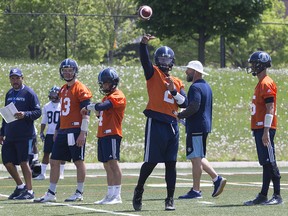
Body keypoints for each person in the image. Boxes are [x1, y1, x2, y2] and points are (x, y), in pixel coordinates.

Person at [132, 34, 188, 211]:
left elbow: (184, 103)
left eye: (167, 59)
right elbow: (144, 61)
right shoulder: (153, 73)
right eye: (161, 58)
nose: (164, 62)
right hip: (156, 122)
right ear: (157, 60)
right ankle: (139, 189)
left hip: (172, 125)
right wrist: (143, 44)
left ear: (172, 61)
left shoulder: (177, 81)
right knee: (150, 162)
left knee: (171, 164)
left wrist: (173, 90)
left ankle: (170, 198)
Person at [34, 58, 92, 203]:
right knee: (54, 160)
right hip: (64, 130)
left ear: (75, 71)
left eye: (70, 70)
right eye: (64, 71)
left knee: (78, 160)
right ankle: (51, 193)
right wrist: (57, 129)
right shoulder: (63, 89)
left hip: (75, 129)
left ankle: (79, 192)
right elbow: (63, 112)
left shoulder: (81, 89)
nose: (67, 73)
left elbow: (86, 113)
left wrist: (83, 132)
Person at [176, 61, 226, 199]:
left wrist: (180, 115)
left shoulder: (195, 87)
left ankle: (198, 189)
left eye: (189, 70)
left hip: (197, 127)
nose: (186, 72)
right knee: (198, 156)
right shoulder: (206, 86)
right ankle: (216, 180)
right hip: (203, 126)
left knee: (196, 158)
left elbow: (194, 106)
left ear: (195, 72)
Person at [81, 67, 126, 205]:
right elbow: (99, 113)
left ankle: (117, 195)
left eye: (105, 83)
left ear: (112, 82)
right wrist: (94, 110)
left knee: (113, 163)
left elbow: (102, 107)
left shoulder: (118, 95)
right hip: (103, 133)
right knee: (106, 165)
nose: (103, 86)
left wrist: (89, 107)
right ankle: (110, 194)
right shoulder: (106, 97)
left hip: (112, 133)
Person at [244, 51, 282, 206]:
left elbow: (270, 108)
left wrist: (266, 130)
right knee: (265, 163)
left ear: (261, 64)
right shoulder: (260, 83)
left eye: (254, 63)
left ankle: (277, 195)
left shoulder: (266, 83)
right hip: (260, 128)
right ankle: (263, 195)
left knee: (270, 161)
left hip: (265, 128)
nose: (252, 66)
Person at [0, 68, 41, 200]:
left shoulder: (29, 93)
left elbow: (37, 112)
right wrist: (2, 132)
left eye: (17, 78)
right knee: (7, 161)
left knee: (24, 162)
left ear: (22, 78)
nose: (15, 80)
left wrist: (25, 114)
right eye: (12, 78)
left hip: (25, 135)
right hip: (10, 134)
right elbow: (5, 114)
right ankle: (20, 186)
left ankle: (30, 191)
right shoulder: (9, 93)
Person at [33, 86, 65, 180]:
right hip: (50, 132)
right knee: (46, 153)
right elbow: (44, 120)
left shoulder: (63, 104)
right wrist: (42, 132)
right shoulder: (47, 106)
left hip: (60, 132)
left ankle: (61, 173)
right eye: (51, 93)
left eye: (54, 93)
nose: (52, 95)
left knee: (62, 153)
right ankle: (42, 173)